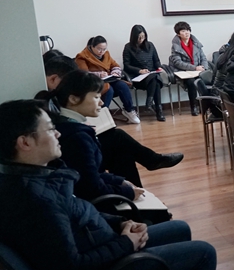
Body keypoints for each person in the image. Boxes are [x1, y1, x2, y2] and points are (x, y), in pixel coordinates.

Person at [0, 99, 229, 270]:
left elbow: (78, 213)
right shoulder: (35, 201)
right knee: (205, 253)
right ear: (25, 142)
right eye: (50, 129)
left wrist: (121, 223)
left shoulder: (36, 178)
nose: (58, 134)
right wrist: (126, 244)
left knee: (180, 229)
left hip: (103, 254)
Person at [38, 59, 182, 184]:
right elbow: (90, 182)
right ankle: (139, 184)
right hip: (75, 156)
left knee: (121, 151)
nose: (69, 85)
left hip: (78, 148)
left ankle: (138, 195)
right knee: (117, 139)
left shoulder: (51, 99)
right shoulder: (52, 109)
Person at [75, 36, 140, 124]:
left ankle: (129, 111)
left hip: (109, 80)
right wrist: (99, 74)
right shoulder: (82, 56)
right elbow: (84, 74)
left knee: (122, 85)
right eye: (99, 49)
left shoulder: (106, 54)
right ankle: (101, 116)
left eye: (104, 49)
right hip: (93, 84)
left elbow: (115, 66)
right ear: (92, 46)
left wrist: (115, 72)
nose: (101, 52)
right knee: (108, 89)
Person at [123, 25, 166, 121]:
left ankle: (150, 103)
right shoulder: (128, 47)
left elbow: (156, 60)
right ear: (134, 37)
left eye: (143, 37)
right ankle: (158, 110)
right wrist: (139, 70)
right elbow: (126, 65)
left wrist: (159, 67)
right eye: (139, 37)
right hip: (138, 78)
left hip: (151, 74)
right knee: (156, 80)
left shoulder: (150, 45)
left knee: (155, 79)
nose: (141, 39)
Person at [169, 21, 209, 116]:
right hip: (184, 72)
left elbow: (203, 58)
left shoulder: (196, 43)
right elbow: (178, 62)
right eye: (183, 31)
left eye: (188, 30)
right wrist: (195, 68)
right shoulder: (176, 46)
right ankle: (193, 106)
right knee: (191, 82)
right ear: (178, 34)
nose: (186, 33)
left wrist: (204, 68)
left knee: (205, 80)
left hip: (198, 71)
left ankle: (206, 105)